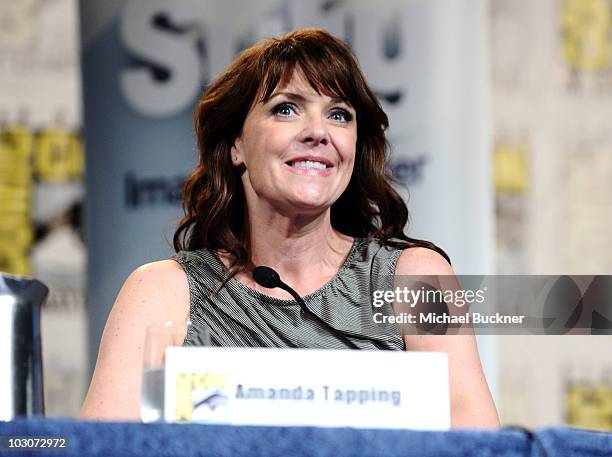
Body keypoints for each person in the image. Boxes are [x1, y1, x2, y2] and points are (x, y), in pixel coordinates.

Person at [81, 28, 499, 427]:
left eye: (339, 115)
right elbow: (104, 446)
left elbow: (476, 440)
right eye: (286, 108)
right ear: (236, 145)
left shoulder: (414, 277)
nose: (318, 132)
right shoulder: (162, 292)